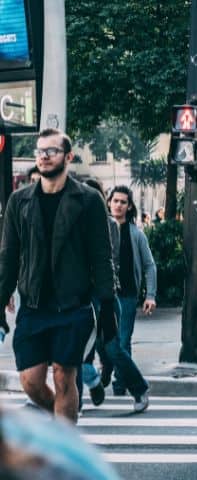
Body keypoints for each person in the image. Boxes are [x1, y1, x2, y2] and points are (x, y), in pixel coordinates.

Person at [0, 128, 115, 424]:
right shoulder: (19, 201)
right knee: (31, 381)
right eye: (40, 151)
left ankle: (64, 449)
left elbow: (102, 258)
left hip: (73, 306)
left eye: (51, 151)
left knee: (65, 375)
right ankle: (61, 428)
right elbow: (8, 258)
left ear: (68, 156)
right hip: (34, 307)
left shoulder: (88, 200)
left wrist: (107, 309)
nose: (44, 156)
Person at [79, 179, 150, 413]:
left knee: (112, 347)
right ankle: (76, 399)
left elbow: (109, 262)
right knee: (75, 349)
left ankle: (138, 388)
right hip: (77, 296)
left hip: (105, 296)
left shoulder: (109, 225)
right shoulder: (72, 223)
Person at [103, 186, 157, 396]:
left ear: (129, 206)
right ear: (109, 202)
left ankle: (120, 384)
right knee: (105, 343)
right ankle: (107, 370)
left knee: (123, 341)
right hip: (104, 296)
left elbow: (149, 265)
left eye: (123, 202)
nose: (118, 205)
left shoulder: (136, 234)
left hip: (126, 295)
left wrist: (150, 295)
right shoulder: (100, 229)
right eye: (115, 201)